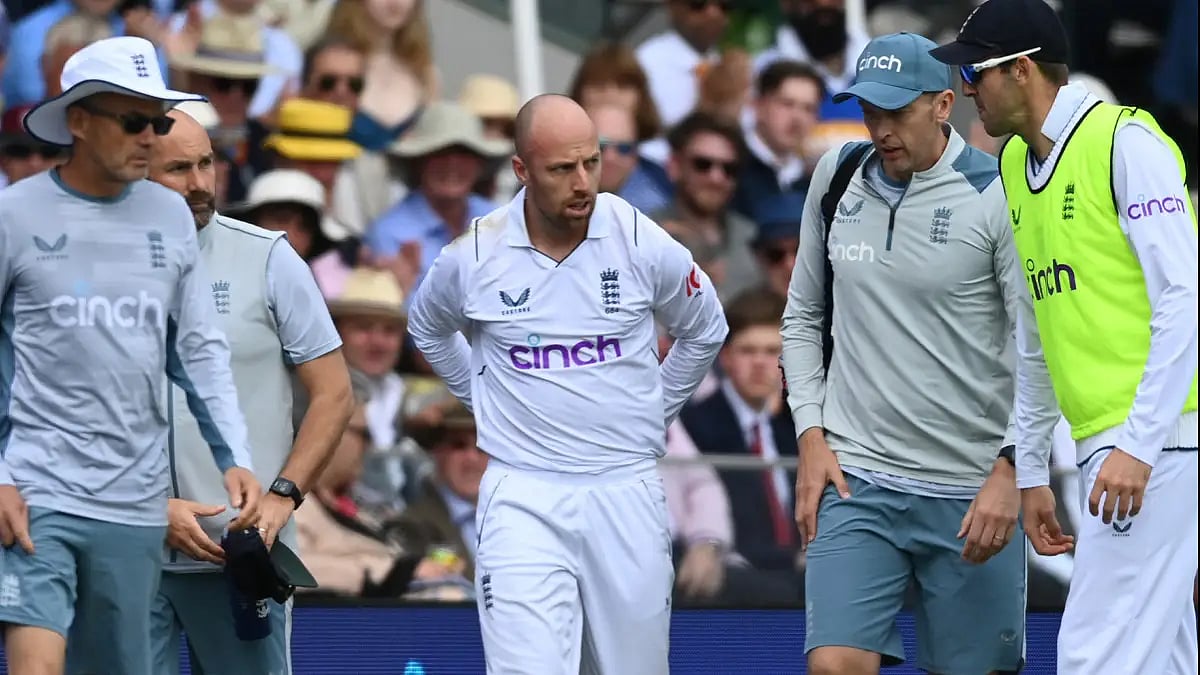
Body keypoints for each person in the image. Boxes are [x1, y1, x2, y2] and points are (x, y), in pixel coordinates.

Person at [406, 94, 728, 674]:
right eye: (562, 169)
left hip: (625, 489)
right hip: (522, 492)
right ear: (521, 171)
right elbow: (427, 329)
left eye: (592, 162)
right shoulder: (473, 255)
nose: (583, 182)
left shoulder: (638, 238)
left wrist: (654, 413)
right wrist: (482, 400)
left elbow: (706, 328)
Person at [932, 1, 1199, 673]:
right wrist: (1030, 471)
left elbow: (1185, 297)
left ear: (1021, 71)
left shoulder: (1124, 142)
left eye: (974, 72)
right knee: (1164, 657)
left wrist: (1139, 444)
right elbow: (1036, 329)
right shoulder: (1018, 170)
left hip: (1161, 439)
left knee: (1092, 653)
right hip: (1114, 446)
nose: (966, 90)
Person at [0, 36, 261, 675]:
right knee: (37, 660)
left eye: (160, 121)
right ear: (79, 122)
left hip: (134, 499)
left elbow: (196, 349)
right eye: (134, 120)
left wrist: (236, 456)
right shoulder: (12, 214)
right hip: (37, 486)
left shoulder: (171, 219)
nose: (151, 136)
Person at [780, 33, 1027, 675]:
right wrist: (810, 434)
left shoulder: (998, 194)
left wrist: (1011, 468)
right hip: (855, 475)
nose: (880, 128)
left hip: (971, 486)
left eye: (898, 112)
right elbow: (803, 315)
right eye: (870, 110)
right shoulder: (835, 177)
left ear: (944, 104)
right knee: (834, 664)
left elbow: (1039, 347)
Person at [146, 108, 353, 675]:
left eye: (206, 163)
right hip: (126, 549)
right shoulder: (88, 263)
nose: (199, 183)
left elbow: (334, 393)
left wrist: (282, 497)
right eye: (177, 169)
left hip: (236, 558)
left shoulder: (268, 256)